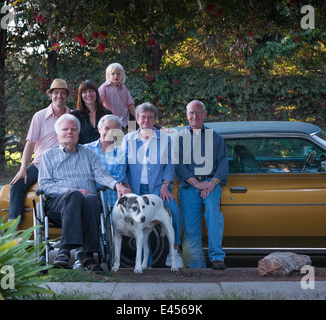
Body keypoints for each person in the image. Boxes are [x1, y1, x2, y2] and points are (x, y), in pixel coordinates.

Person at [38, 114, 130, 272]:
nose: (69, 132)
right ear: (58, 134)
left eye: (73, 129)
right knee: (75, 195)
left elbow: (101, 175)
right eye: (65, 129)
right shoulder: (48, 155)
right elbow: (45, 184)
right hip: (58, 205)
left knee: (92, 199)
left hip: (88, 205)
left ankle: (87, 255)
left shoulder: (88, 153)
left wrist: (117, 186)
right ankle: (66, 249)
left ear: (78, 134)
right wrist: (71, 191)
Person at [122, 102, 183, 268]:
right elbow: (123, 167)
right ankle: (145, 263)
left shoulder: (165, 139)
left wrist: (165, 185)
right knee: (140, 224)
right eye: (143, 117)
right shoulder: (128, 139)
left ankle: (174, 253)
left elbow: (170, 165)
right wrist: (129, 191)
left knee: (174, 212)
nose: (146, 120)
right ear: (137, 118)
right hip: (136, 189)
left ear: (155, 119)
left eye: (150, 117)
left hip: (158, 188)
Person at [175, 100, 229, 270]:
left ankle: (217, 258)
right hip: (189, 186)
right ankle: (195, 263)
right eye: (191, 112)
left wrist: (211, 183)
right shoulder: (179, 138)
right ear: (187, 115)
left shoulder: (216, 137)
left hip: (211, 184)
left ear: (205, 114)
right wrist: (197, 184)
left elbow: (222, 164)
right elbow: (178, 166)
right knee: (190, 226)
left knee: (213, 215)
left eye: (199, 112)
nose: (195, 116)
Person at [9, 78, 71, 222]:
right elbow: (30, 144)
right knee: (17, 185)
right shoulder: (39, 116)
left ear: (67, 96)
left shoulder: (72, 116)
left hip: (65, 166)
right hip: (41, 165)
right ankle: (13, 230)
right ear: (50, 95)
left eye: (63, 93)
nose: (59, 96)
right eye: (56, 93)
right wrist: (23, 167)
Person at [86, 115, 129, 207]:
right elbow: (84, 176)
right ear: (99, 129)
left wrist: (97, 177)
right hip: (91, 201)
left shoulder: (121, 153)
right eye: (107, 128)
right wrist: (108, 177)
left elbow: (120, 177)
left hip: (114, 201)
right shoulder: (86, 150)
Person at [71, 80, 111, 144]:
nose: (88, 94)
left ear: (96, 93)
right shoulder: (74, 116)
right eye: (84, 92)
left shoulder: (107, 114)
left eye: (91, 91)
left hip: (104, 152)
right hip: (82, 153)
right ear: (81, 95)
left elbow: (115, 136)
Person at [98, 63, 135, 129]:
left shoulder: (124, 88)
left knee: (133, 128)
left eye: (118, 74)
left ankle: (131, 138)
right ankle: (118, 138)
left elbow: (130, 103)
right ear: (108, 75)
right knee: (117, 136)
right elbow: (98, 103)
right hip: (111, 118)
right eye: (113, 74)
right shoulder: (104, 88)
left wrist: (136, 115)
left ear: (122, 75)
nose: (116, 76)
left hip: (125, 116)